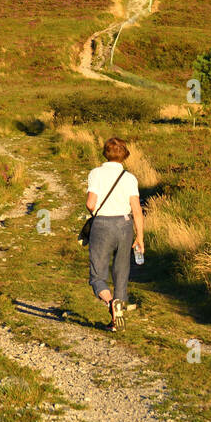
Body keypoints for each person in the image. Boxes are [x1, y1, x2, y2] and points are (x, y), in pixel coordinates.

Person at [85, 137, 144, 331]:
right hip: (125, 225)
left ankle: (111, 303)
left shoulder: (96, 173)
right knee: (121, 272)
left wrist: (93, 214)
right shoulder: (129, 178)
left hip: (102, 224)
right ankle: (116, 320)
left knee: (97, 275)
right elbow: (136, 210)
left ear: (105, 153)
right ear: (125, 154)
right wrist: (140, 237)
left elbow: (90, 204)